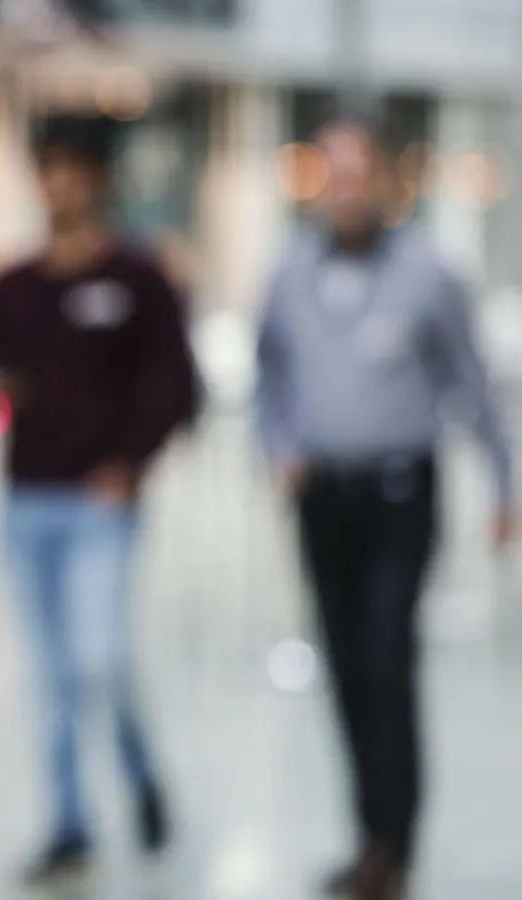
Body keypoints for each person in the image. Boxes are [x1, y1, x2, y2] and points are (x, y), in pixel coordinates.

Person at [255, 117, 516, 900]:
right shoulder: (291, 272)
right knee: (343, 665)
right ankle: (367, 832)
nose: (346, 191)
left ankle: (393, 846)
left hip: (400, 492)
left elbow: (470, 382)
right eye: (332, 176)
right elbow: (270, 378)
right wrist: (277, 446)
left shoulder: (428, 273)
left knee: (386, 656)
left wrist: (505, 481)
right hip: (322, 496)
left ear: (387, 181)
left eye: (358, 175)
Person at [0, 114, 199, 887]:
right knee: (51, 671)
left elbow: (177, 385)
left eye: (74, 170)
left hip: (100, 505)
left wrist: (131, 462)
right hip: (26, 501)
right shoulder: (11, 286)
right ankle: (69, 823)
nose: (61, 185)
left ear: (99, 179)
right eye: (50, 170)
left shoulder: (139, 278)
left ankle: (139, 771)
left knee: (97, 658)